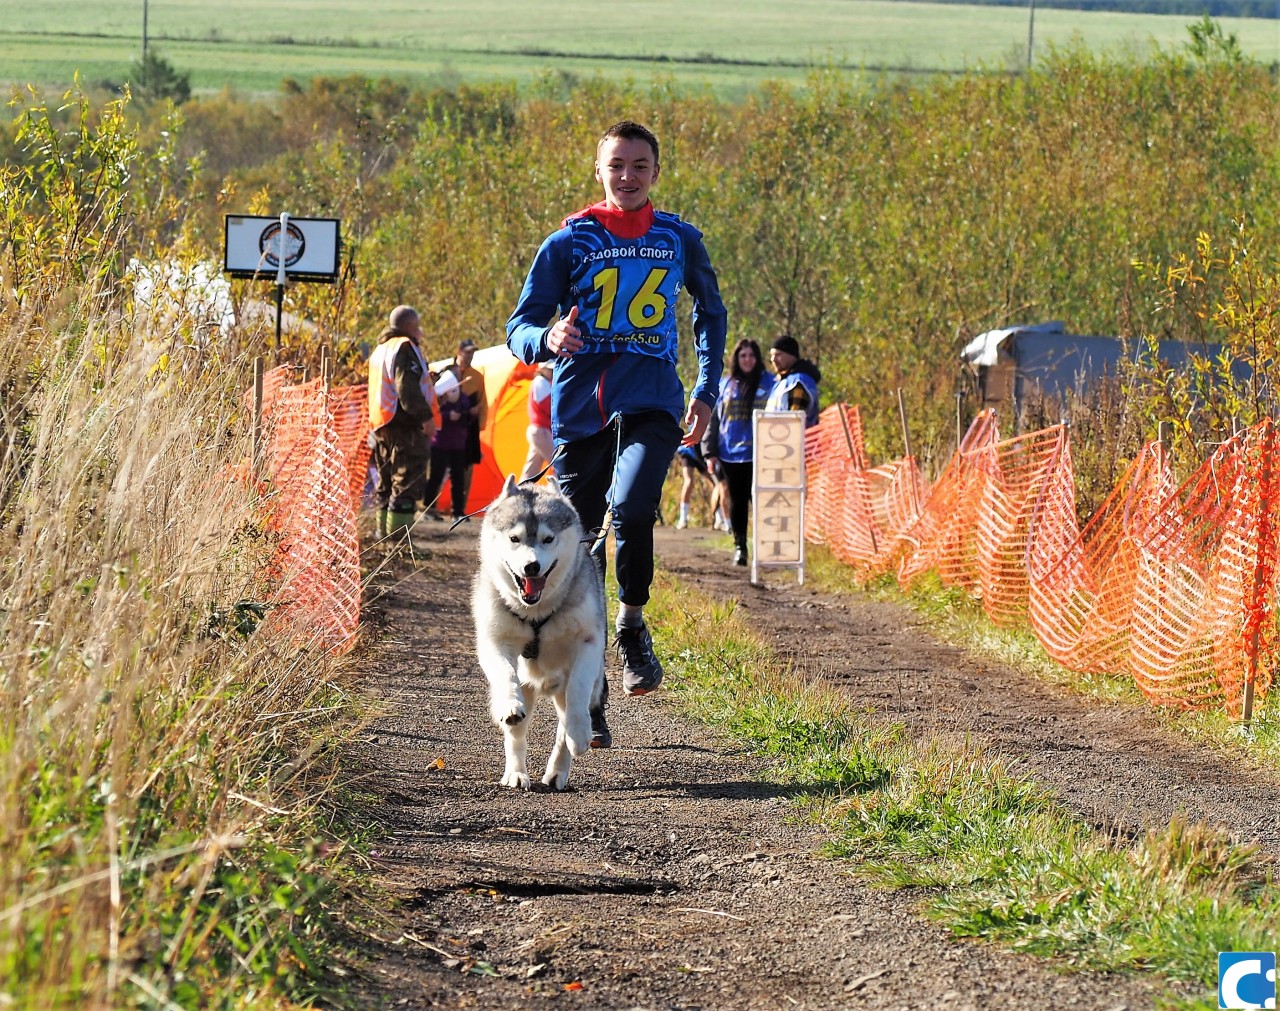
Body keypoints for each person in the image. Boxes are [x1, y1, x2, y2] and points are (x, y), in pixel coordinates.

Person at [506, 119, 727, 747]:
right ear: (599, 171)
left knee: (630, 507)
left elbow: (710, 312)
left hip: (654, 397)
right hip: (582, 405)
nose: (627, 177)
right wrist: (545, 339)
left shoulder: (678, 237)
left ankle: (632, 624)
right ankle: (589, 687)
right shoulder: (567, 242)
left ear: (656, 172)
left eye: (639, 166)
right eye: (616, 166)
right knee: (581, 548)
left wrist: (708, 387)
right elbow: (518, 325)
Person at [367, 305, 439, 538]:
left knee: (386, 482)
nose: (420, 332)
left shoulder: (381, 348)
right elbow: (405, 387)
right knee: (407, 481)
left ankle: (384, 536)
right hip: (404, 425)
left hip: (382, 424)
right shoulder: (405, 347)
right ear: (409, 326)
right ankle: (399, 544)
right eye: (417, 326)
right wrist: (426, 418)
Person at [704, 338, 776, 566]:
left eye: (751, 356)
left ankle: (767, 549)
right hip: (730, 454)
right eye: (743, 355)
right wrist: (709, 451)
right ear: (736, 358)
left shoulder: (771, 382)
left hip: (762, 452)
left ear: (758, 358)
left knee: (764, 501)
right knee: (738, 502)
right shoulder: (726, 384)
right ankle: (740, 547)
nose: (747, 360)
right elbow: (714, 420)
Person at [421, 371, 473, 522]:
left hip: (458, 444)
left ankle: (458, 511)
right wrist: (447, 415)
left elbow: (466, 412)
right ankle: (429, 509)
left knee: (458, 479)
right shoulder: (436, 399)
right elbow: (434, 413)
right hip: (440, 443)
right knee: (435, 477)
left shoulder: (462, 398)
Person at [443, 338, 487, 510]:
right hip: (447, 426)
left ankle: (459, 506)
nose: (470, 355)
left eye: (472, 352)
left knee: (467, 466)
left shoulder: (476, 376)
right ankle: (433, 504)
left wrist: (480, 421)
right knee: (442, 464)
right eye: (467, 352)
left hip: (468, 426)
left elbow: (483, 401)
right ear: (459, 351)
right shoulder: (447, 372)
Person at [765, 334, 821, 427]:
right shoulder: (783, 382)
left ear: (791, 355)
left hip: (791, 440)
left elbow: (795, 423)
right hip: (777, 439)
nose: (773, 359)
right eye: (771, 355)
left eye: (778, 355)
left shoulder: (798, 382)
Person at [673, 443, 727, 531]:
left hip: (703, 454)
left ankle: (719, 519)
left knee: (716, 485)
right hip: (688, 452)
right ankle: (683, 519)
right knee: (689, 482)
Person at [519, 361, 555, 482]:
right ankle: (558, 493)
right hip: (541, 431)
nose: (552, 372)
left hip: (538, 431)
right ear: (542, 369)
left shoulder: (542, 382)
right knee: (559, 464)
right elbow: (550, 406)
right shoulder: (541, 382)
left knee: (531, 470)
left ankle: (519, 492)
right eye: (549, 369)